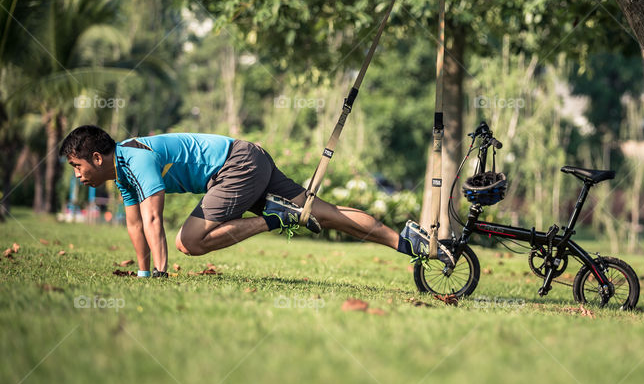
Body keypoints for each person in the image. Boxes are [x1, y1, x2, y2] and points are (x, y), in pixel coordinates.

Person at [59, 125, 450, 277]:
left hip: (237, 165)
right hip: (248, 157)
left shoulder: (136, 158)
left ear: (97, 157)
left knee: (189, 241)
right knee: (324, 214)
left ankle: (277, 219)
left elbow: (154, 221)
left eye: (77, 166)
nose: (77, 175)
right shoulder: (121, 171)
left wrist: (160, 272)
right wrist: (143, 272)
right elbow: (133, 224)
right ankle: (408, 242)